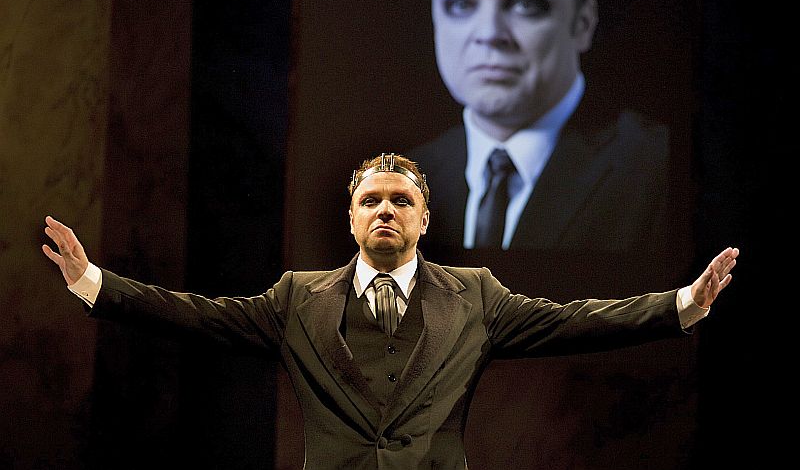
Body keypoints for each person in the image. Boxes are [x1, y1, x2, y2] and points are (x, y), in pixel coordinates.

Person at [43, 153, 738, 470]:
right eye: (370, 200)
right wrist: (94, 281)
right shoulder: (295, 298)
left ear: (424, 219)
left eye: (400, 200)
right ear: (350, 219)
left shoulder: (477, 295)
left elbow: (577, 320)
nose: (385, 209)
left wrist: (682, 303)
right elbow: (195, 314)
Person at [410, 0, 674, 253]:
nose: (489, 34)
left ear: (583, 24)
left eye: (526, 4)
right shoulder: (412, 174)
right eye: (459, 4)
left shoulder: (659, 171)